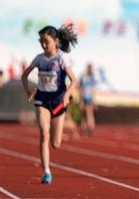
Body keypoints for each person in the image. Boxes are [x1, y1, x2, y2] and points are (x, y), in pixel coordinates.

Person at [21, 25, 78, 185]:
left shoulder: (61, 57)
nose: (43, 45)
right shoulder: (39, 59)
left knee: (55, 144)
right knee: (44, 134)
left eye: (46, 41)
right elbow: (24, 76)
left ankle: (54, 130)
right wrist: (28, 91)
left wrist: (66, 95)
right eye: (41, 41)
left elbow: (73, 81)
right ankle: (46, 171)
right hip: (42, 101)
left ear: (56, 41)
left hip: (58, 102)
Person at [79, 63, 98, 135]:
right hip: (84, 96)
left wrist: (94, 100)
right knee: (84, 114)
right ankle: (83, 127)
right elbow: (81, 88)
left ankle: (90, 127)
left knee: (89, 113)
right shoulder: (83, 77)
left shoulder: (92, 77)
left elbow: (93, 90)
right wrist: (80, 99)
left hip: (89, 98)